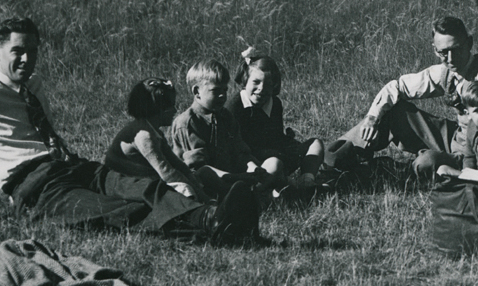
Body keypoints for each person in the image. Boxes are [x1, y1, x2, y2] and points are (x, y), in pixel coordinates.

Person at [0, 18, 257, 243]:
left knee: (145, 187)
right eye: (17, 51)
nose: (26, 59)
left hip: (73, 167)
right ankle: (210, 223)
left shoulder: (34, 89)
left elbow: (47, 134)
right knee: (114, 210)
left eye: (32, 51)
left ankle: (216, 213)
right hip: (36, 186)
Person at [338, 15, 478, 179]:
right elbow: (398, 87)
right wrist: (372, 118)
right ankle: (333, 158)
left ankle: (382, 172)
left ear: (469, 43)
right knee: (394, 111)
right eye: (443, 52)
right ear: (435, 50)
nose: (450, 58)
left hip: (476, 154)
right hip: (456, 138)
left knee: (427, 162)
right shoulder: (446, 71)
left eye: (456, 49)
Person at [228, 50, 326, 190]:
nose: (261, 89)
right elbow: (235, 149)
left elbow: (277, 137)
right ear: (245, 80)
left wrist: (289, 144)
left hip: (275, 154)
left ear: (274, 85)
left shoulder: (274, 103)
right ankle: (261, 191)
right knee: (274, 164)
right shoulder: (235, 106)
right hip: (250, 163)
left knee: (315, 144)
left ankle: (306, 183)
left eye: (267, 84)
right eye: (256, 82)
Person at [103, 77, 211, 202]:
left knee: (198, 176)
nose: (175, 111)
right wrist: (201, 195)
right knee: (182, 188)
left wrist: (192, 178)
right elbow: (167, 172)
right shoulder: (145, 136)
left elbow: (174, 162)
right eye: (170, 106)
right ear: (158, 110)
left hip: (139, 175)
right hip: (123, 181)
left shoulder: (153, 130)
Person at [169, 59, 259, 194]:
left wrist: (253, 167)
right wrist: (234, 177)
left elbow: (239, 149)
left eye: (225, 90)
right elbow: (198, 167)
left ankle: (250, 190)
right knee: (204, 174)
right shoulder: (188, 122)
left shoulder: (226, 116)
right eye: (216, 91)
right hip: (200, 182)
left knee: (273, 165)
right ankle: (242, 193)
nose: (223, 95)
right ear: (197, 91)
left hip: (230, 175)